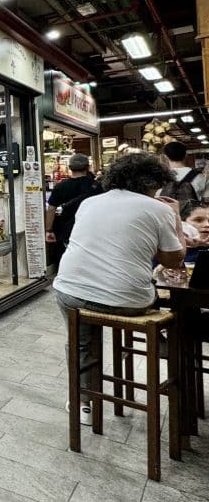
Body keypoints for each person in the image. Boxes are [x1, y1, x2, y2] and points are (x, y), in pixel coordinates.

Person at [54, 153, 185, 425]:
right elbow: (173, 260)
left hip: (69, 292)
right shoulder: (159, 209)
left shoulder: (90, 203)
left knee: (80, 339)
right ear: (155, 181)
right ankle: (175, 372)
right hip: (129, 302)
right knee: (160, 303)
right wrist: (176, 218)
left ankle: (82, 401)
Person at [44, 154, 101, 269]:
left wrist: (49, 230)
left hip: (65, 228)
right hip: (92, 227)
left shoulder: (60, 186)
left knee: (66, 256)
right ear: (88, 167)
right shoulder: (96, 186)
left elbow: (51, 209)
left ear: (70, 168)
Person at [160, 141, 205, 207]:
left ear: (166, 157)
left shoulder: (159, 176)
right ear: (185, 155)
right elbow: (206, 200)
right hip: (191, 216)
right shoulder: (199, 176)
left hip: (165, 215)